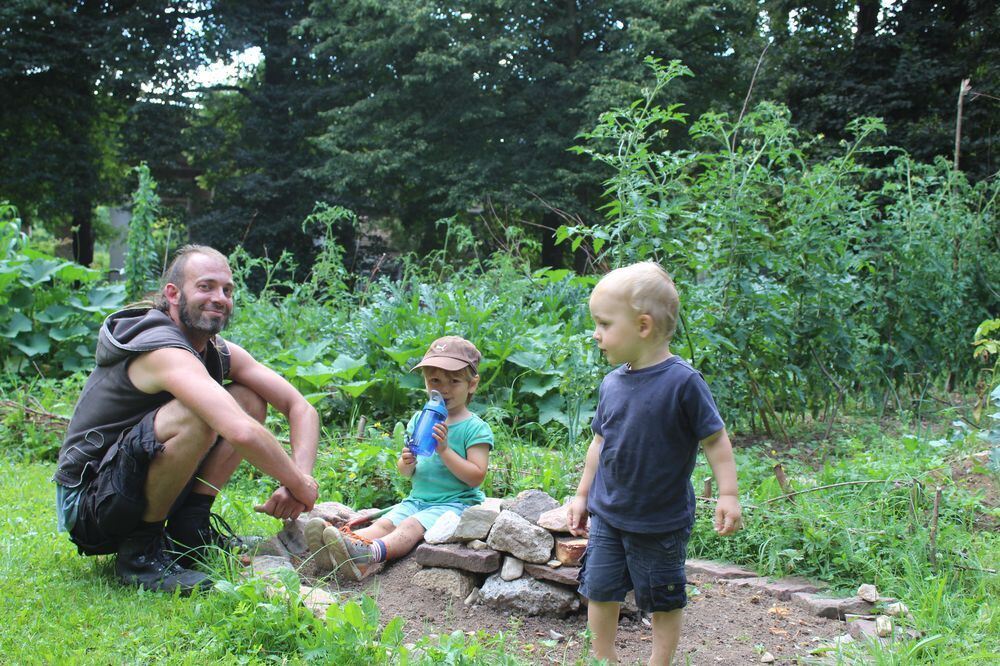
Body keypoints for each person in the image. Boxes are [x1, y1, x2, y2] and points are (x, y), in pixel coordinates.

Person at [54, 245, 320, 594]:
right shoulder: (159, 348)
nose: (220, 298)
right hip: (90, 504)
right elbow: (239, 431)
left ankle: (188, 532)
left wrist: (300, 478)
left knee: (249, 399)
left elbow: (300, 407)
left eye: (227, 290)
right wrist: (302, 489)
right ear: (173, 294)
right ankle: (140, 557)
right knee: (201, 413)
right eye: (206, 286)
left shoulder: (215, 349)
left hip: (127, 484)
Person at [567, 261, 743, 666]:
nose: (596, 334)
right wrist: (581, 495)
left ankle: (658, 662)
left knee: (662, 598)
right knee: (600, 589)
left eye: (604, 324)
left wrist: (729, 494)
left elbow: (715, 440)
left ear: (643, 326)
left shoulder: (683, 382)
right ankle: (603, 659)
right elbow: (599, 442)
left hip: (660, 521)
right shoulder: (612, 383)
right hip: (609, 513)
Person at [307, 335, 492, 580]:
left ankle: (368, 555)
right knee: (384, 524)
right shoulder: (420, 419)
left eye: (454, 380)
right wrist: (407, 462)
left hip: (454, 505)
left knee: (410, 526)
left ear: (472, 384)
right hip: (417, 499)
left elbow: (476, 477)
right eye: (435, 379)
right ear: (425, 381)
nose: (443, 388)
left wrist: (445, 451)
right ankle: (338, 549)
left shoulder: (474, 428)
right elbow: (405, 472)